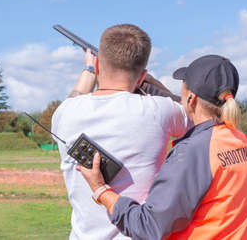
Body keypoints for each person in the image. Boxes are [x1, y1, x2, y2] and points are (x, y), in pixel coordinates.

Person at [78, 55, 247, 240]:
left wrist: (100, 189)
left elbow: (148, 226)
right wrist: (156, 88)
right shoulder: (242, 140)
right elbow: (198, 115)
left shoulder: (192, 152)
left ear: (191, 99)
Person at [51, 24, 190, 240]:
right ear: (142, 74)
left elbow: (73, 99)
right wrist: (152, 83)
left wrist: (88, 70)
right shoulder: (160, 110)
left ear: (98, 66)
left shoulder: (65, 113)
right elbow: (191, 113)